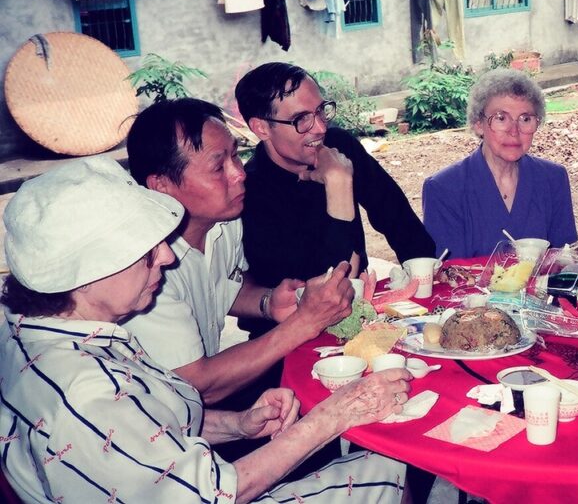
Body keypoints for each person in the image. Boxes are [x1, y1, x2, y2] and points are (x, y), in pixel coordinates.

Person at [0, 156, 410, 504]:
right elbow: (212, 493)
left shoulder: (57, 333)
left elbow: (141, 438)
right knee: (394, 468)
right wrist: (334, 416)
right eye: (144, 250)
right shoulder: (83, 391)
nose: (164, 254)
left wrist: (238, 423)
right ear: (84, 274)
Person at [123, 98, 355, 408]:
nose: (239, 174)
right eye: (219, 166)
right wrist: (303, 322)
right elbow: (197, 386)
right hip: (155, 424)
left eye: (236, 155)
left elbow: (225, 284)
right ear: (161, 186)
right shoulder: (141, 266)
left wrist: (267, 302)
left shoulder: (225, 223)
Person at [236, 62, 435, 339]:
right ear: (261, 128)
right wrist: (340, 184)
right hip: (287, 341)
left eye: (321, 111)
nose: (319, 128)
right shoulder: (251, 192)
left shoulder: (338, 145)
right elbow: (327, 288)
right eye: (301, 119)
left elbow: (396, 216)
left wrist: (425, 274)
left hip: (359, 320)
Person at [422, 68, 578, 258]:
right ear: (479, 123)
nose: (514, 131)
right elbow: (450, 276)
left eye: (525, 119)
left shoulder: (553, 178)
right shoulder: (443, 189)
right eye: (501, 118)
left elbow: (564, 262)